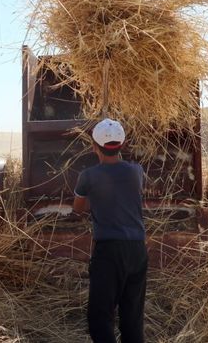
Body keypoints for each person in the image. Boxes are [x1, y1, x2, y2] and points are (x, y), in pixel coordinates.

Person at [73, 118, 147, 343]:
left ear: (94, 147)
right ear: (122, 145)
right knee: (132, 318)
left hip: (109, 253)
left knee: (100, 317)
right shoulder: (136, 171)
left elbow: (79, 209)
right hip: (137, 250)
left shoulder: (87, 176)